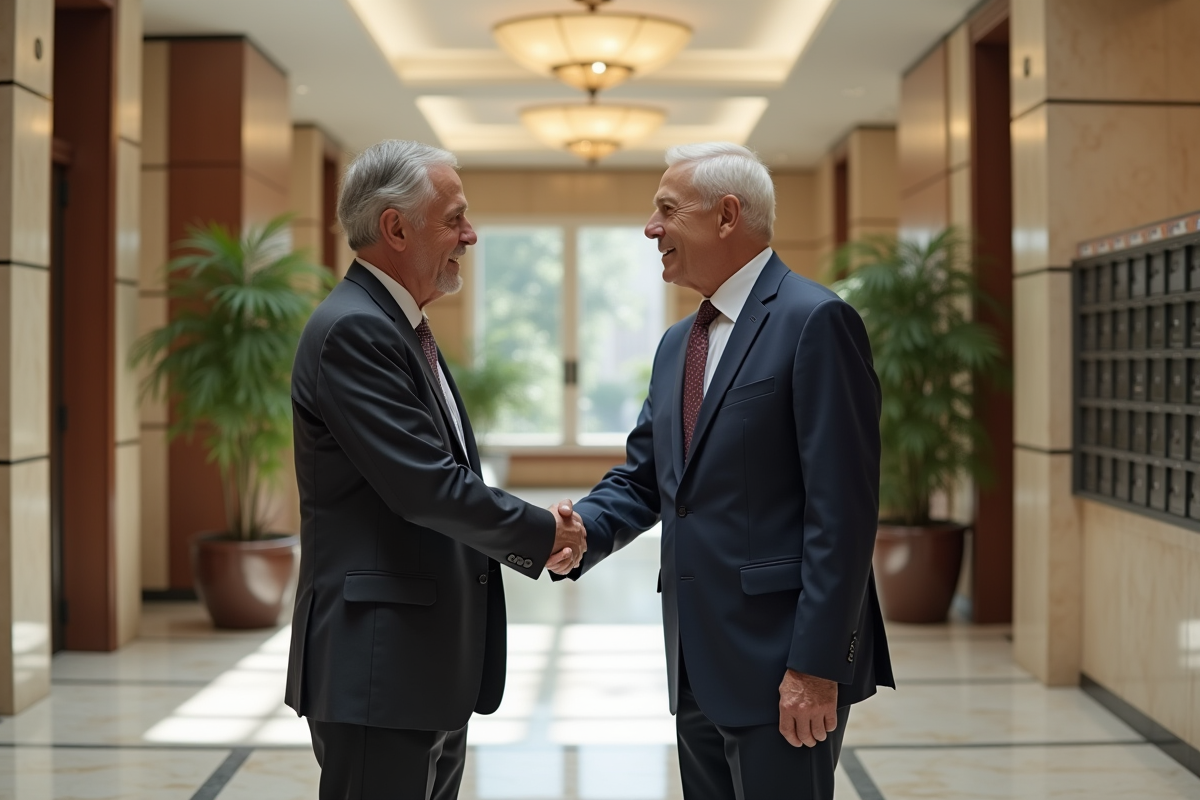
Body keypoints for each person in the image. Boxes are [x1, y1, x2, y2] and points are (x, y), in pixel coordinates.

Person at [549, 142, 894, 800]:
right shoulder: (680, 343)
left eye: (667, 211)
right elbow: (649, 478)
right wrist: (583, 529)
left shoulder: (816, 321)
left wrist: (816, 667)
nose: (651, 229)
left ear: (728, 215)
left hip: (784, 664)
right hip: (697, 662)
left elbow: (843, 513)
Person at [284, 139, 584, 800]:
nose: (470, 235)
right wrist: (545, 534)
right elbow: (427, 487)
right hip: (379, 666)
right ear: (395, 227)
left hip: (419, 664)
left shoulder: (397, 325)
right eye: (454, 218)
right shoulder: (355, 331)